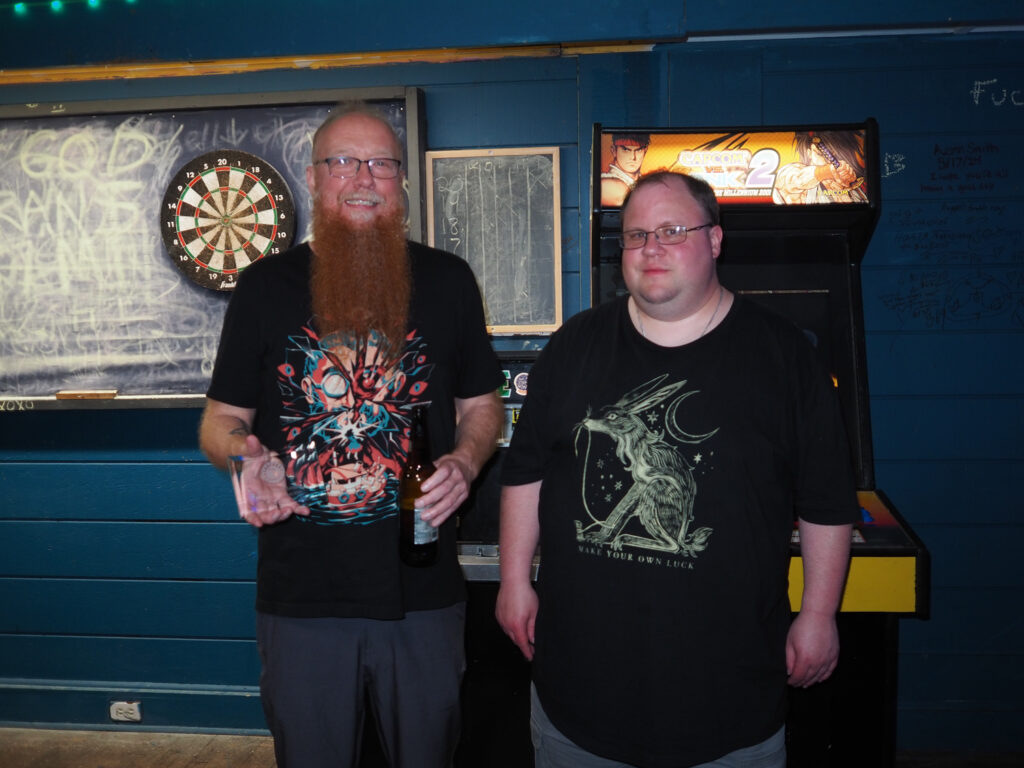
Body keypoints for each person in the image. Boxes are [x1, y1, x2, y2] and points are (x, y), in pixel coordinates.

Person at [496, 170, 857, 768]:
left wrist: (819, 615)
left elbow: (827, 500)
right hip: (579, 699)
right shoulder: (573, 345)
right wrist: (513, 580)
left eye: (671, 231)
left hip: (729, 704)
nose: (650, 248)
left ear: (714, 240)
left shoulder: (784, 354)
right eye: (636, 235)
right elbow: (526, 472)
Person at [199, 101, 503, 768]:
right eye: (343, 162)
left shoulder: (449, 281)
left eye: (382, 164)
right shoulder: (263, 288)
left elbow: (484, 406)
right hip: (302, 598)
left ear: (401, 181)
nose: (364, 178)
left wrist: (464, 460)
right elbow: (220, 421)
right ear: (314, 177)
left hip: (423, 594)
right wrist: (245, 461)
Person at [772, 130, 867, 205]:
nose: (827, 161)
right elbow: (790, 179)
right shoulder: (796, 176)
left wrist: (847, 184)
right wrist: (828, 171)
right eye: (819, 154)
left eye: (834, 156)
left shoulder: (854, 191)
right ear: (809, 153)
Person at [601, 132, 650, 207]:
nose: (633, 157)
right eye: (626, 150)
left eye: (638, 150)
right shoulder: (606, 184)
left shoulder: (645, 183)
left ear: (645, 151)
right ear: (614, 151)